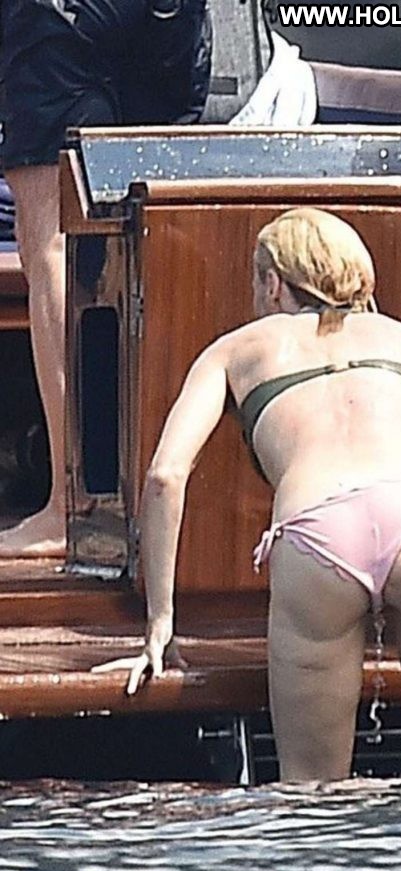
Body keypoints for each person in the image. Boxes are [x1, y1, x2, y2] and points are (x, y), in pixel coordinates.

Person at [94, 207, 401, 782]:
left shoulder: (233, 351)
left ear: (273, 282)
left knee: (312, 793)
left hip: (320, 529)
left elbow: (166, 476)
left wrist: (160, 625)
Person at [0, 0, 211, 557]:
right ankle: (164, 503)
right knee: (155, 223)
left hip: (60, 19)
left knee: (53, 239)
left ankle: (75, 509)